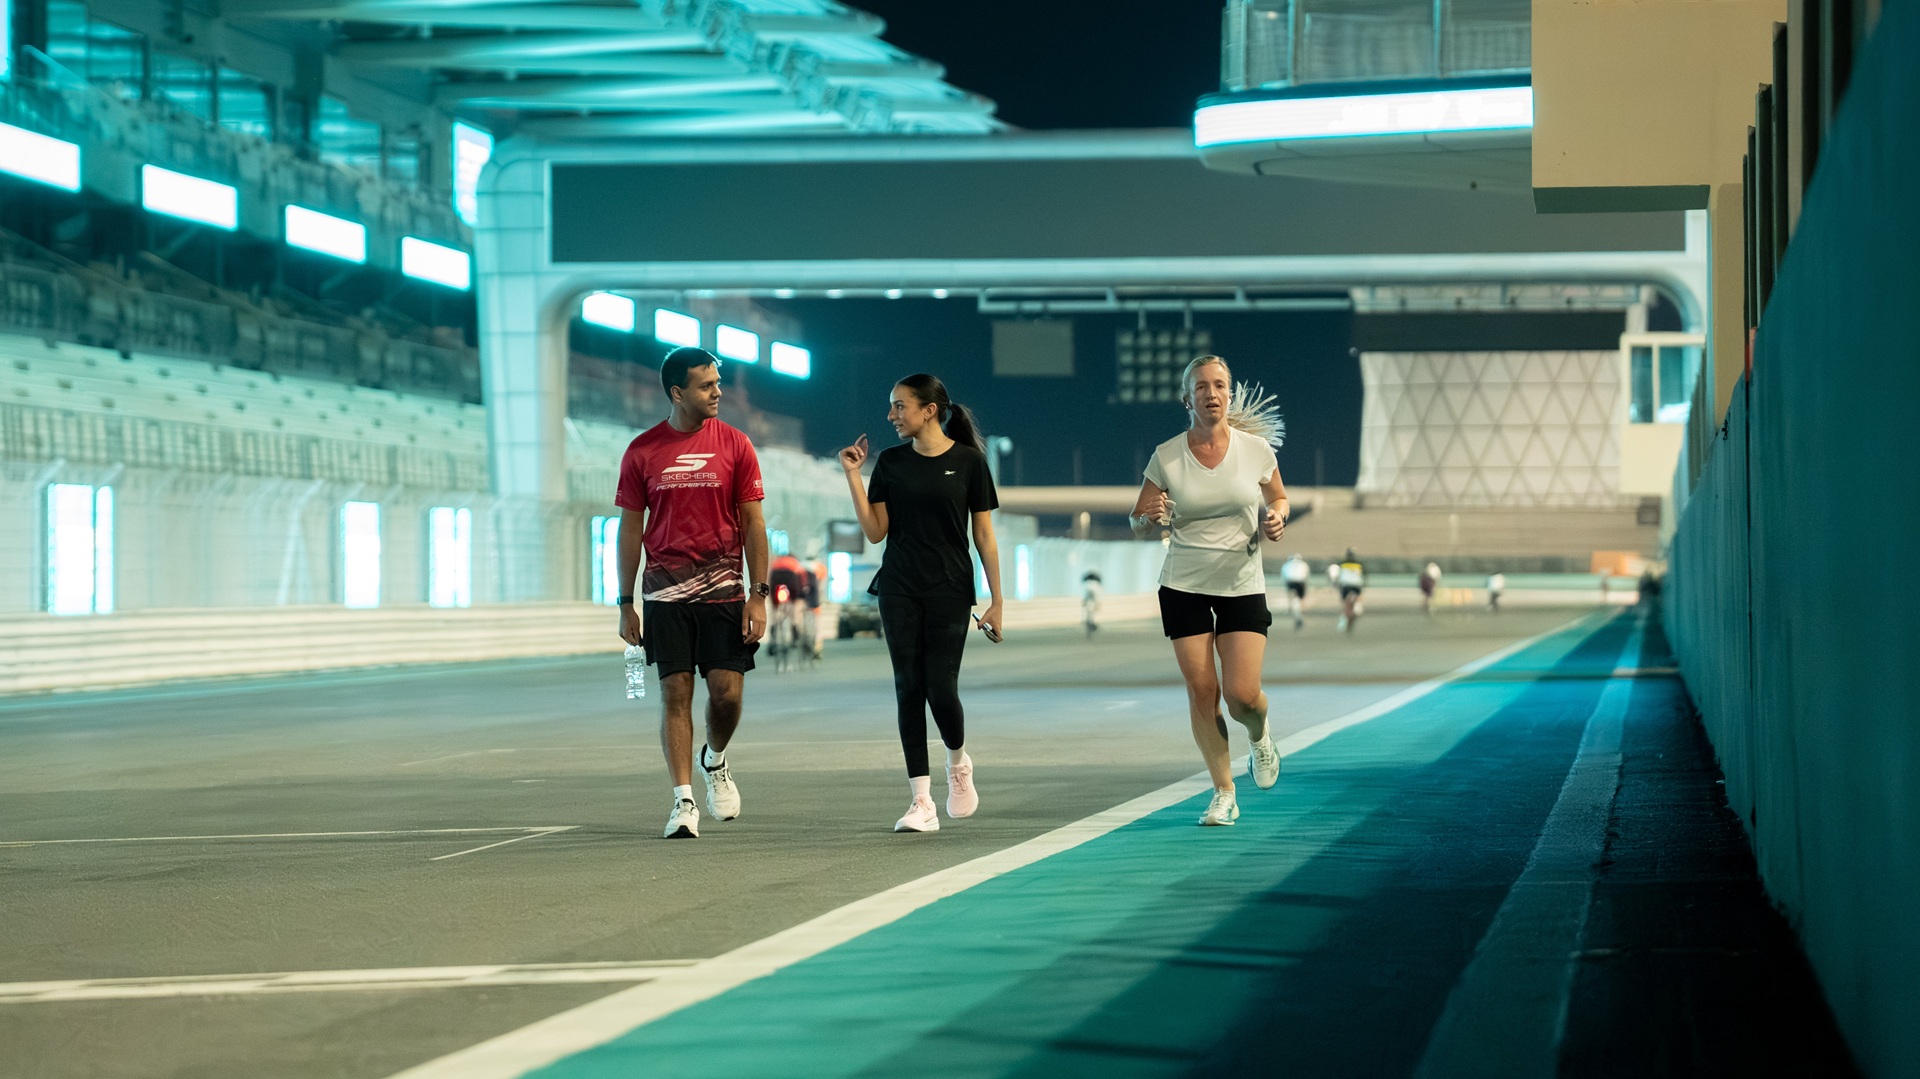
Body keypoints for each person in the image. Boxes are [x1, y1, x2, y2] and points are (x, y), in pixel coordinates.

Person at [615, 347, 769, 840]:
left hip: (725, 591)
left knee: (726, 697)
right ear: (678, 393)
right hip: (664, 594)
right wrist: (625, 603)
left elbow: (754, 524)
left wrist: (759, 594)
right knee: (674, 694)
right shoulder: (642, 451)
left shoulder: (737, 445)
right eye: (707, 385)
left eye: (718, 382)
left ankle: (715, 760)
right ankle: (682, 802)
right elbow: (628, 530)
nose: (719, 391)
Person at [839, 373, 1004, 833]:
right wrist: (853, 474)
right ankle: (920, 801)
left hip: (951, 588)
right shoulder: (890, 463)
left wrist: (997, 599)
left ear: (929, 409)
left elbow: (984, 536)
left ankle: (957, 761)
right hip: (899, 587)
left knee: (939, 687)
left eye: (899, 406)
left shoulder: (970, 463)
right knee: (907, 687)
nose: (891, 415)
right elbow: (875, 532)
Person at [1129, 356, 1288, 828]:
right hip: (1184, 584)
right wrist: (1148, 517)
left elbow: (1277, 496)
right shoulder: (1167, 454)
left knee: (1242, 695)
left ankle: (1260, 737)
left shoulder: (1255, 450)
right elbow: (1139, 521)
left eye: (1220, 385)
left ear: (1230, 394)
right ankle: (1223, 792)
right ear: (1188, 398)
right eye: (1202, 387)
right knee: (1203, 691)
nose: (1212, 393)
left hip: (1241, 583)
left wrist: (1277, 515)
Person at [1336, 549, 1365, 632]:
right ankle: (1358, 608)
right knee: (1358, 597)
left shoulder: (1342, 563)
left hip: (1345, 585)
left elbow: (1337, 575)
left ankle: (1342, 621)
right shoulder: (1359, 564)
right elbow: (1363, 576)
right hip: (1356, 585)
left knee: (1345, 603)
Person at [1280, 552, 1311, 630]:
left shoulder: (1286, 565)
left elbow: (1283, 577)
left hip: (1290, 582)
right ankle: (1302, 612)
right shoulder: (1304, 564)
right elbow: (1306, 576)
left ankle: (1291, 609)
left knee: (1291, 596)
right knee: (1301, 599)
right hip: (1300, 582)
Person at [1082, 570, 1104, 637]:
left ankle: (1089, 622)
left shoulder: (1088, 582)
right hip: (1096, 589)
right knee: (1094, 609)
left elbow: (1083, 580)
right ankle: (1092, 624)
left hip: (1088, 588)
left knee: (1088, 609)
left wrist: (1085, 601)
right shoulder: (1097, 582)